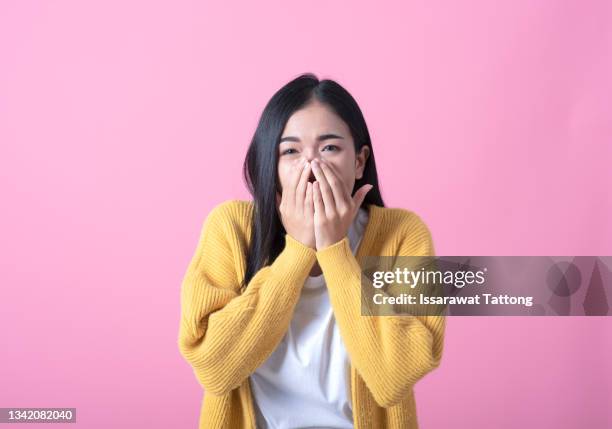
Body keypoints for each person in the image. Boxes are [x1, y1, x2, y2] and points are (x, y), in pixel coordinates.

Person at [177, 72, 446, 428]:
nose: (311, 167)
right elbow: (215, 370)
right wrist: (299, 249)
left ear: (360, 161)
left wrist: (334, 249)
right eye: (290, 151)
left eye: (329, 148)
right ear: (271, 166)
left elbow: (395, 377)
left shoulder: (403, 234)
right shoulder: (231, 228)